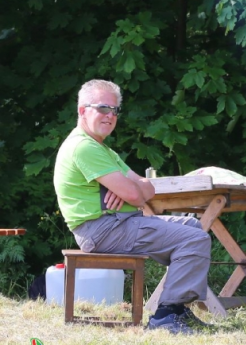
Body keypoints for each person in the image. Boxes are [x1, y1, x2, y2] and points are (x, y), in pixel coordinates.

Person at [53, 79, 212, 335]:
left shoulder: (103, 149)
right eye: (103, 108)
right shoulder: (84, 147)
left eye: (115, 110)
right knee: (194, 239)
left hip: (118, 223)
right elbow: (138, 196)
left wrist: (126, 189)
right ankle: (166, 315)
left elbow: (148, 188)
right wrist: (129, 190)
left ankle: (178, 308)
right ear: (83, 110)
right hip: (102, 229)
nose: (110, 116)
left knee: (192, 225)